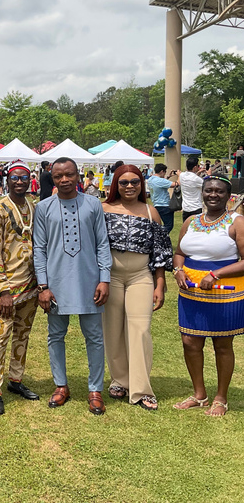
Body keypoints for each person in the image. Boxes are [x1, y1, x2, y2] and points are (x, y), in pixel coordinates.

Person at [33, 157, 112, 415]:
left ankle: (95, 389)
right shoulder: (43, 207)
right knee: (56, 335)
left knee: (95, 337)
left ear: (79, 176)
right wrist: (42, 285)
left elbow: (102, 243)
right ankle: (60, 386)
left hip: (90, 281)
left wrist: (104, 278)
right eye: (58, 176)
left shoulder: (92, 205)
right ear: (52, 178)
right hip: (55, 283)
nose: (64, 180)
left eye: (69, 174)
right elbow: (39, 249)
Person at [102, 165, 173, 410]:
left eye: (135, 182)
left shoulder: (150, 211)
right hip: (110, 276)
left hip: (141, 275)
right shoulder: (103, 209)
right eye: (124, 182)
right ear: (115, 185)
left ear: (142, 185)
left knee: (140, 329)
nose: (129, 186)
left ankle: (141, 389)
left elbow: (161, 251)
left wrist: (160, 284)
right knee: (113, 329)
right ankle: (120, 380)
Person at [173, 176, 244, 416]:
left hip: (225, 293)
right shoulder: (191, 221)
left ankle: (221, 398)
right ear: (202, 193)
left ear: (228, 195)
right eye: (208, 190)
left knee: (222, 344)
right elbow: (180, 251)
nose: (213, 195)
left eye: (219, 191)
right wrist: (178, 269)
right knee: (190, 342)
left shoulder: (237, 222)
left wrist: (216, 274)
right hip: (191, 292)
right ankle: (199, 394)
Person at [0, 161, 38, 415]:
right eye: (15, 177)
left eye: (24, 177)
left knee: (23, 333)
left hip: (31, 283)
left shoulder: (33, 206)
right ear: (7, 180)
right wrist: (3, 290)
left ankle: (15, 380)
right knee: (1, 335)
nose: (20, 181)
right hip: (8, 286)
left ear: (30, 180)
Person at [147, 163, 180, 234]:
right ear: (162, 171)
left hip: (156, 204)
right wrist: (179, 175)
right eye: (165, 172)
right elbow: (176, 184)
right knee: (168, 225)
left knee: (159, 225)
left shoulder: (151, 179)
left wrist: (168, 177)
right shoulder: (160, 181)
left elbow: (162, 183)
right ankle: (162, 238)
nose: (165, 174)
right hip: (164, 205)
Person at [179, 157, 205, 221]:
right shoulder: (196, 179)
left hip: (186, 208)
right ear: (195, 167)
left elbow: (191, 178)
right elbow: (207, 185)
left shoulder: (182, 175)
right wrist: (209, 175)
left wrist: (198, 173)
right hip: (196, 207)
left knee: (186, 228)